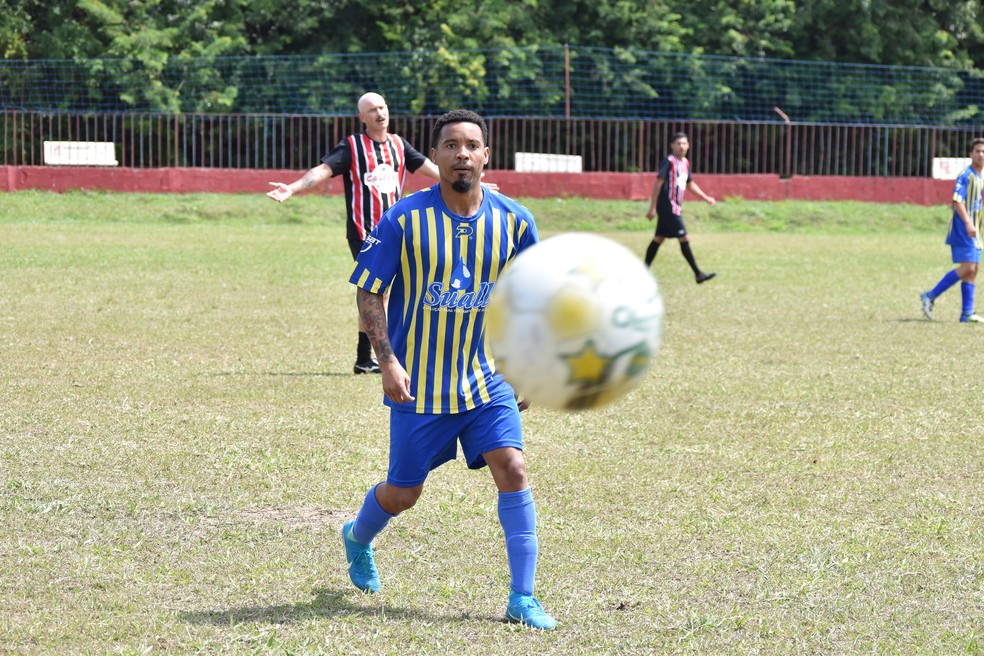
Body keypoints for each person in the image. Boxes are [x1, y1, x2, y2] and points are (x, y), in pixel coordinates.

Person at [340, 109, 556, 630]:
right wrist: (388, 360)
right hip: (420, 388)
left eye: (472, 145)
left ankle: (521, 598)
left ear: (486, 156)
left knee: (514, 468)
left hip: (487, 379)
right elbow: (370, 291)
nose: (462, 153)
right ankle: (357, 535)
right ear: (433, 156)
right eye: (451, 144)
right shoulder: (403, 219)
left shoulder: (515, 221)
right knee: (403, 493)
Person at [267, 92, 440, 374]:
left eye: (382, 107)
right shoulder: (352, 146)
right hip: (364, 232)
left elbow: (431, 168)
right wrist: (293, 188)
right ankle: (370, 357)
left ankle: (368, 358)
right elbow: (323, 170)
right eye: (371, 110)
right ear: (362, 117)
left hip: (396, 231)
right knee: (376, 292)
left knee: (396, 291)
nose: (379, 113)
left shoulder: (399, 145)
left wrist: (467, 182)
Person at [921, 137, 984, 323]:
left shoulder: (981, 176)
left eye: (983, 151)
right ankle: (930, 295)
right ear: (970, 154)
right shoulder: (966, 175)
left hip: (976, 230)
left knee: (974, 269)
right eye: (978, 151)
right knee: (968, 267)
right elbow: (957, 200)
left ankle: (967, 313)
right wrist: (968, 223)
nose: (981, 154)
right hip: (963, 229)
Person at [644, 132, 717, 283]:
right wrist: (652, 207)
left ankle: (642, 273)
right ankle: (698, 274)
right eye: (678, 143)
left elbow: (689, 184)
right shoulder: (669, 161)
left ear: (688, 145)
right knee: (684, 237)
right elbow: (658, 182)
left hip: (675, 206)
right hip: (667, 206)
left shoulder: (685, 163)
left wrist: (706, 197)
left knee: (659, 238)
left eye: (684, 143)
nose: (681, 146)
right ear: (672, 146)